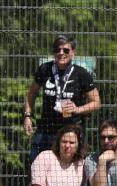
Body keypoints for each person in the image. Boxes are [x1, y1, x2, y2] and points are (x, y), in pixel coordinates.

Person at [23, 34, 101, 170]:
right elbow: (32, 93)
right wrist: (27, 116)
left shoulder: (81, 74)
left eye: (65, 50)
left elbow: (96, 102)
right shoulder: (45, 69)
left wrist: (77, 109)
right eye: (57, 50)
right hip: (46, 130)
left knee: (73, 173)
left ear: (73, 53)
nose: (61, 53)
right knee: (36, 167)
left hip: (71, 132)